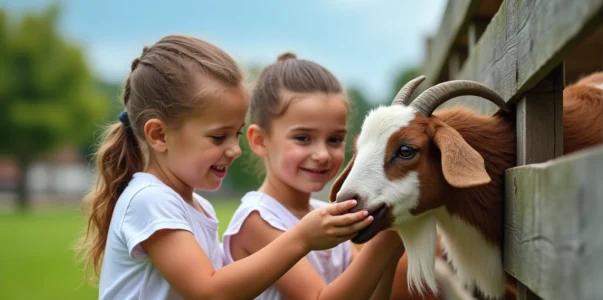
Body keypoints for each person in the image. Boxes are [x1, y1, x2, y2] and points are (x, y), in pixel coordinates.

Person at [74, 35, 375, 300]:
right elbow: (210, 291)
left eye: (236, 134)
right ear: (159, 135)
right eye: (219, 136)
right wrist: (302, 238)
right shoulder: (150, 199)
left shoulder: (197, 205)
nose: (233, 149)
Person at [222, 52, 405, 300]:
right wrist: (385, 243)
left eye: (335, 139)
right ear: (260, 140)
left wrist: (394, 238)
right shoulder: (258, 219)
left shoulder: (326, 215)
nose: (322, 154)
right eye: (303, 138)